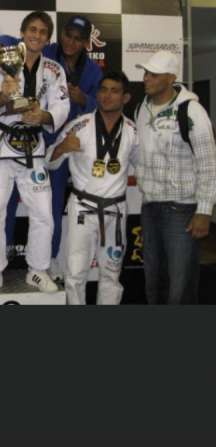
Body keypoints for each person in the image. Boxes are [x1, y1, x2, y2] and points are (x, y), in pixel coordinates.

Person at [0, 11, 70, 297]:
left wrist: (44, 116)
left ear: (48, 38)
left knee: (43, 214)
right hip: (1, 145)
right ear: (22, 31)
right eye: (32, 30)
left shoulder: (53, 69)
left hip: (33, 148)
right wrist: (4, 94)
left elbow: (62, 106)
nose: (36, 36)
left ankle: (38, 269)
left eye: (43, 32)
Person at [48, 71, 139, 305]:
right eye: (104, 90)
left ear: (126, 97)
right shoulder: (80, 125)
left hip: (115, 210)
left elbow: (143, 166)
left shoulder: (132, 131)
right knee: (75, 273)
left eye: (115, 91)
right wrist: (62, 147)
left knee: (111, 275)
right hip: (83, 208)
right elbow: (50, 161)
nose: (107, 96)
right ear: (97, 94)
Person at [135, 50, 216, 305]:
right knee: (154, 279)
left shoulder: (192, 111)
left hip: (181, 209)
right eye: (146, 73)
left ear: (171, 78)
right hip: (150, 208)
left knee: (180, 284)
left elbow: (208, 164)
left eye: (153, 74)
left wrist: (204, 211)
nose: (146, 78)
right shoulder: (141, 109)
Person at [44, 15, 102, 280]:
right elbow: (20, 42)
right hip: (48, 141)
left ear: (86, 43)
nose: (71, 42)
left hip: (78, 146)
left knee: (83, 205)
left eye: (78, 38)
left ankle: (83, 261)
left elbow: (105, 104)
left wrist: (85, 99)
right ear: (61, 34)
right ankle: (45, 258)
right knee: (49, 206)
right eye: (68, 35)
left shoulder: (93, 70)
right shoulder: (46, 54)